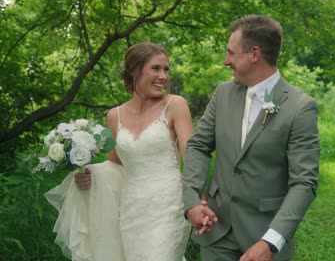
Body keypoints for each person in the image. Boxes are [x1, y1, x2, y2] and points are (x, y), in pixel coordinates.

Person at [181, 15, 320, 261]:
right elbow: (199, 146)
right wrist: (192, 201)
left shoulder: (300, 107)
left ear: (254, 54)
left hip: (263, 237)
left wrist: (271, 241)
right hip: (216, 232)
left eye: (231, 53)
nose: (226, 61)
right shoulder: (223, 93)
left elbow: (304, 183)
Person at [49, 42, 193, 260]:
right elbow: (115, 164)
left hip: (169, 207)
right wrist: (88, 175)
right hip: (131, 210)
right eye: (155, 68)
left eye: (166, 69)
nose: (163, 76)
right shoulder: (114, 116)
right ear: (135, 70)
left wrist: (198, 201)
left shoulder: (175, 105)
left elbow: (192, 157)